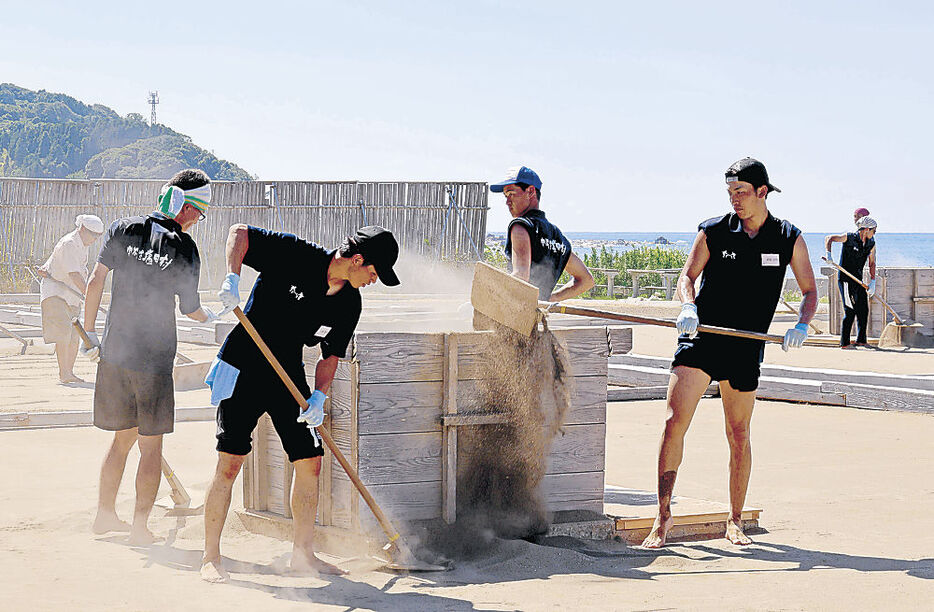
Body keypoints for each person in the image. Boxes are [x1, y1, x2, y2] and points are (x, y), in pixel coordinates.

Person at [200, 223, 401, 583]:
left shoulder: (349, 302)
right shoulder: (296, 254)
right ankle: (210, 558)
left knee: (310, 462)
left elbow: (330, 355)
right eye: (373, 272)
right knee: (230, 463)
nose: (374, 280)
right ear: (357, 260)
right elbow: (239, 233)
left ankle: (302, 556)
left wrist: (319, 396)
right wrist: (231, 279)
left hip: (287, 375)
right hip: (245, 361)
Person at [641, 157, 818, 549]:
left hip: (746, 345)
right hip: (701, 337)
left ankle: (734, 521)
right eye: (730, 193)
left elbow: (810, 291)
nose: (735, 200)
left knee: (738, 433)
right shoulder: (714, 231)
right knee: (673, 421)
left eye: (741, 192)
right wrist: (687, 306)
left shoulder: (789, 237)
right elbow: (687, 277)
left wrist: (802, 325)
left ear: (762, 192)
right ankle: (662, 516)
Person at [82, 169, 218, 545]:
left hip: (115, 354)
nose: (198, 221)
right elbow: (192, 311)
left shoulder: (122, 228)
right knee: (151, 447)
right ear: (184, 206)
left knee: (120, 441)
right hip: (154, 362)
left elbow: (95, 281)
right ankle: (140, 527)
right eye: (198, 213)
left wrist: (90, 334)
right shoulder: (185, 250)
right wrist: (215, 316)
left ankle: (104, 516)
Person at [489, 166, 594, 301]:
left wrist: (488, 298)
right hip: (533, 318)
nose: (507, 201)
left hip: (513, 313)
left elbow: (521, 276)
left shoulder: (521, 226)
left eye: (511, 194)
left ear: (531, 191)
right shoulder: (559, 239)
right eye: (505, 196)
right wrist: (549, 299)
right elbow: (586, 280)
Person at [37, 214, 104, 383]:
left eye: (97, 237)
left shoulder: (83, 245)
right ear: (82, 229)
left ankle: (69, 372)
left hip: (72, 296)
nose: (94, 239)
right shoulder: (69, 243)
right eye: (93, 235)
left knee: (75, 335)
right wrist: (90, 296)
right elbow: (74, 274)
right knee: (63, 334)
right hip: (57, 293)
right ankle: (64, 373)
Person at [825, 216, 877, 348]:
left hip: (858, 281)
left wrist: (873, 281)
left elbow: (872, 263)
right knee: (850, 311)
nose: (874, 233)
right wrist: (829, 254)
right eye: (874, 231)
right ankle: (845, 343)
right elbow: (829, 238)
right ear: (866, 229)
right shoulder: (849, 238)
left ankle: (861, 340)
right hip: (846, 281)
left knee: (863, 311)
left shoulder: (871, 243)